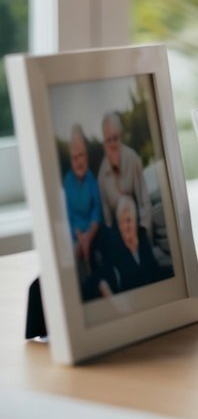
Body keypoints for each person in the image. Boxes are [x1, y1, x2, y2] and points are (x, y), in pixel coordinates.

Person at [96, 111, 153, 239]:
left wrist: (143, 232)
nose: (112, 144)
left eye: (115, 138)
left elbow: (144, 201)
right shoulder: (102, 175)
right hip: (118, 234)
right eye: (108, 140)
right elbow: (107, 217)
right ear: (104, 143)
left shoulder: (133, 159)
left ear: (121, 137)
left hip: (138, 226)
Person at [97, 195, 169, 296]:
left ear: (135, 221)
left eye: (128, 220)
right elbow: (105, 277)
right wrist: (104, 286)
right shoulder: (115, 247)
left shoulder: (142, 238)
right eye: (121, 222)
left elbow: (154, 271)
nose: (126, 226)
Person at [63, 124, 102, 278]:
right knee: (73, 256)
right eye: (74, 158)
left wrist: (88, 237)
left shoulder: (92, 180)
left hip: (92, 232)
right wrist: (80, 238)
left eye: (81, 155)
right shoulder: (67, 182)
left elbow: (96, 212)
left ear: (86, 155)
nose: (79, 161)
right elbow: (69, 215)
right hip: (75, 234)